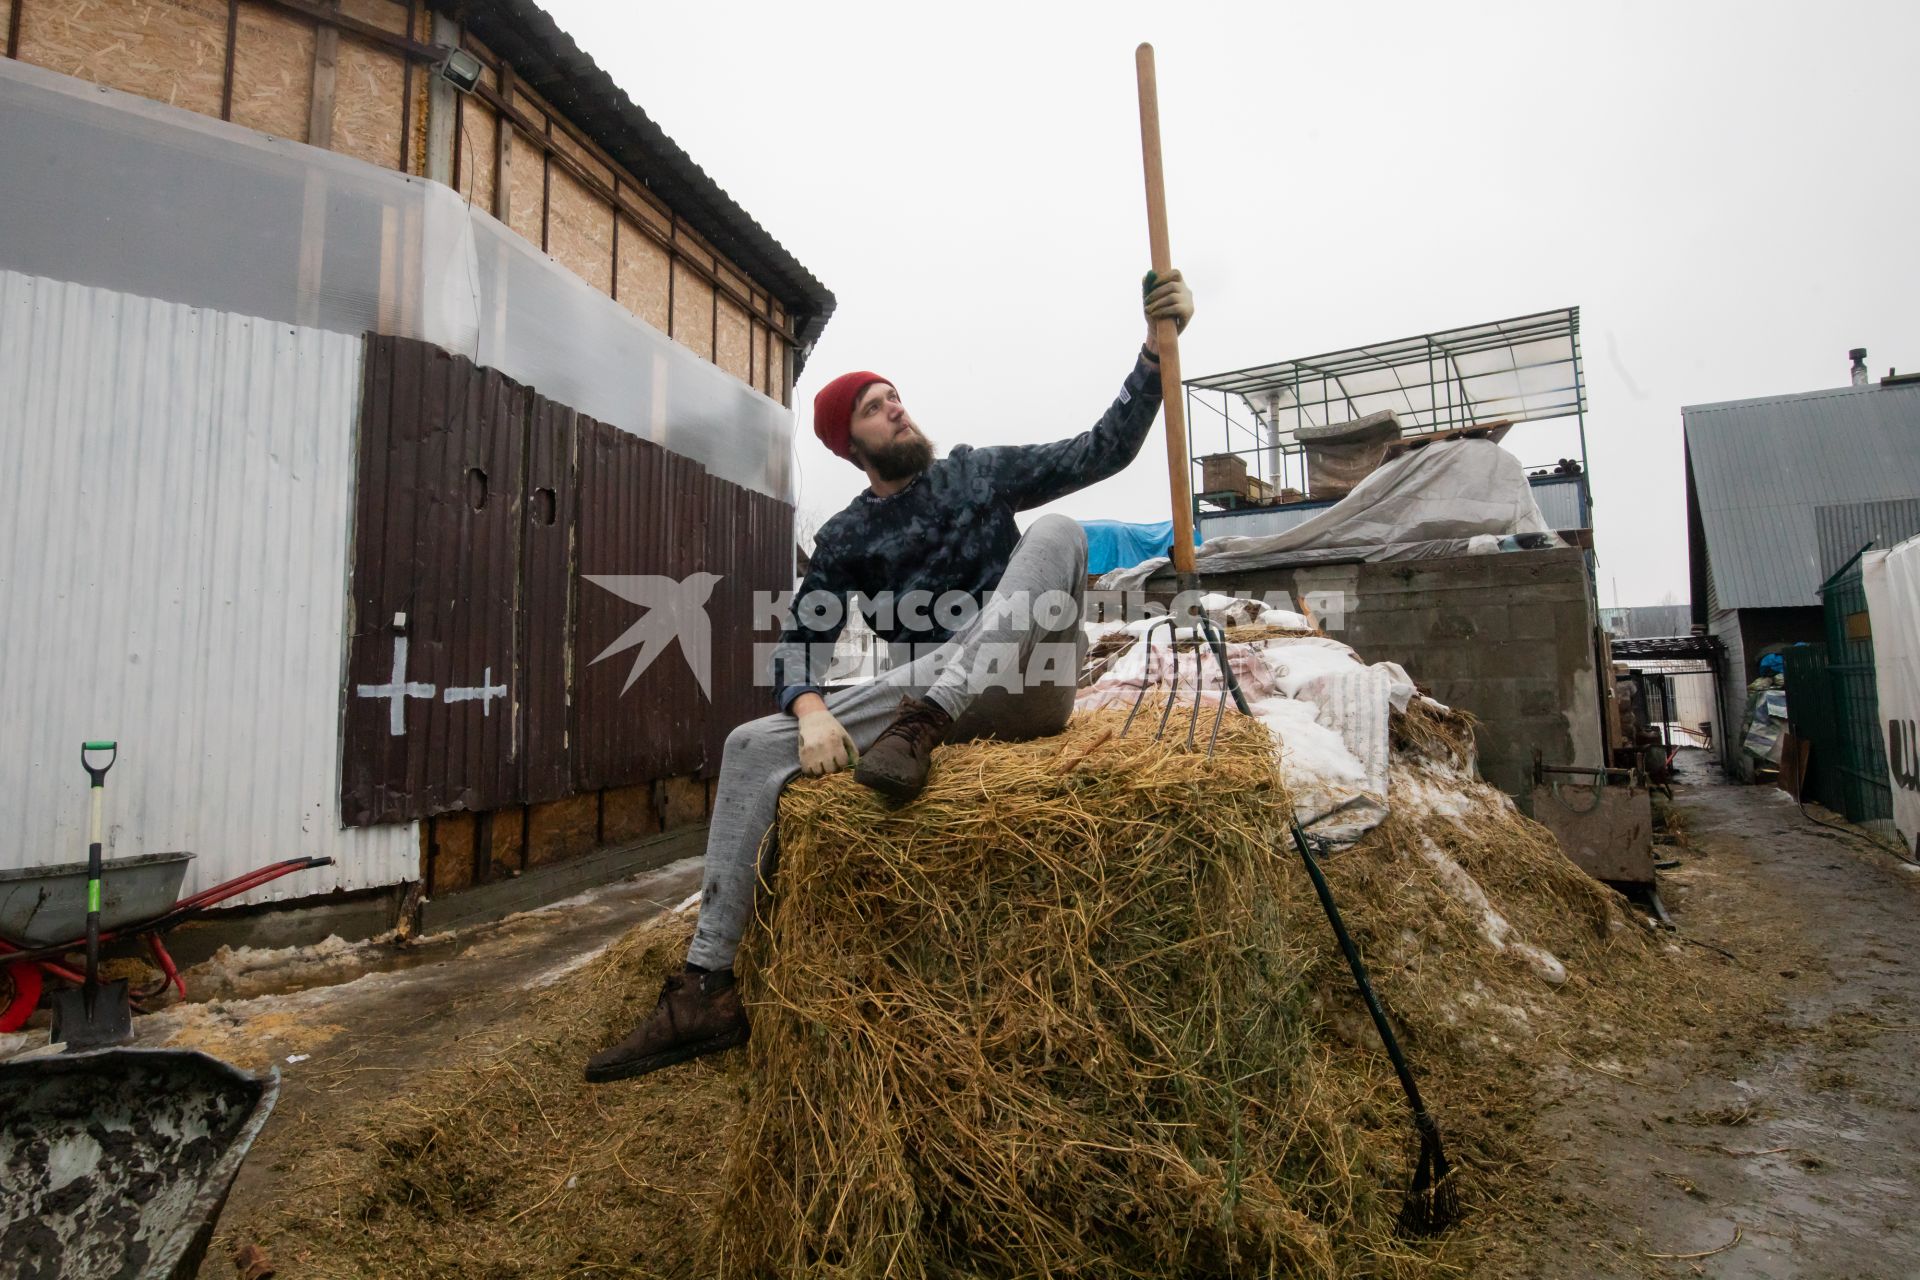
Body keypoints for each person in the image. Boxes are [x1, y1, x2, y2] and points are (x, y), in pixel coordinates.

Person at [584, 269, 1196, 1083]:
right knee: (747, 745)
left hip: (1021, 684)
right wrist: (807, 710)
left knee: (1055, 530)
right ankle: (705, 987)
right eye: (874, 406)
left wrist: (1157, 353)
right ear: (850, 444)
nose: (897, 408)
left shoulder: (976, 474)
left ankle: (929, 713)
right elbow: (803, 636)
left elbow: (1102, 449)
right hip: (917, 709)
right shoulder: (847, 536)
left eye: (896, 396)